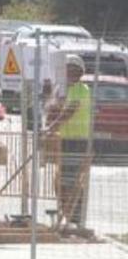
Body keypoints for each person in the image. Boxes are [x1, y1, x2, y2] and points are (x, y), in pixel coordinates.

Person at [45, 54, 92, 230]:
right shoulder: (62, 89)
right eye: (67, 70)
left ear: (80, 73)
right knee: (59, 180)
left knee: (70, 181)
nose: (69, 74)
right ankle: (66, 214)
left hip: (77, 141)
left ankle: (74, 217)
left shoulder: (82, 90)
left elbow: (69, 112)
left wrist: (52, 126)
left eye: (73, 71)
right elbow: (52, 109)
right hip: (63, 140)